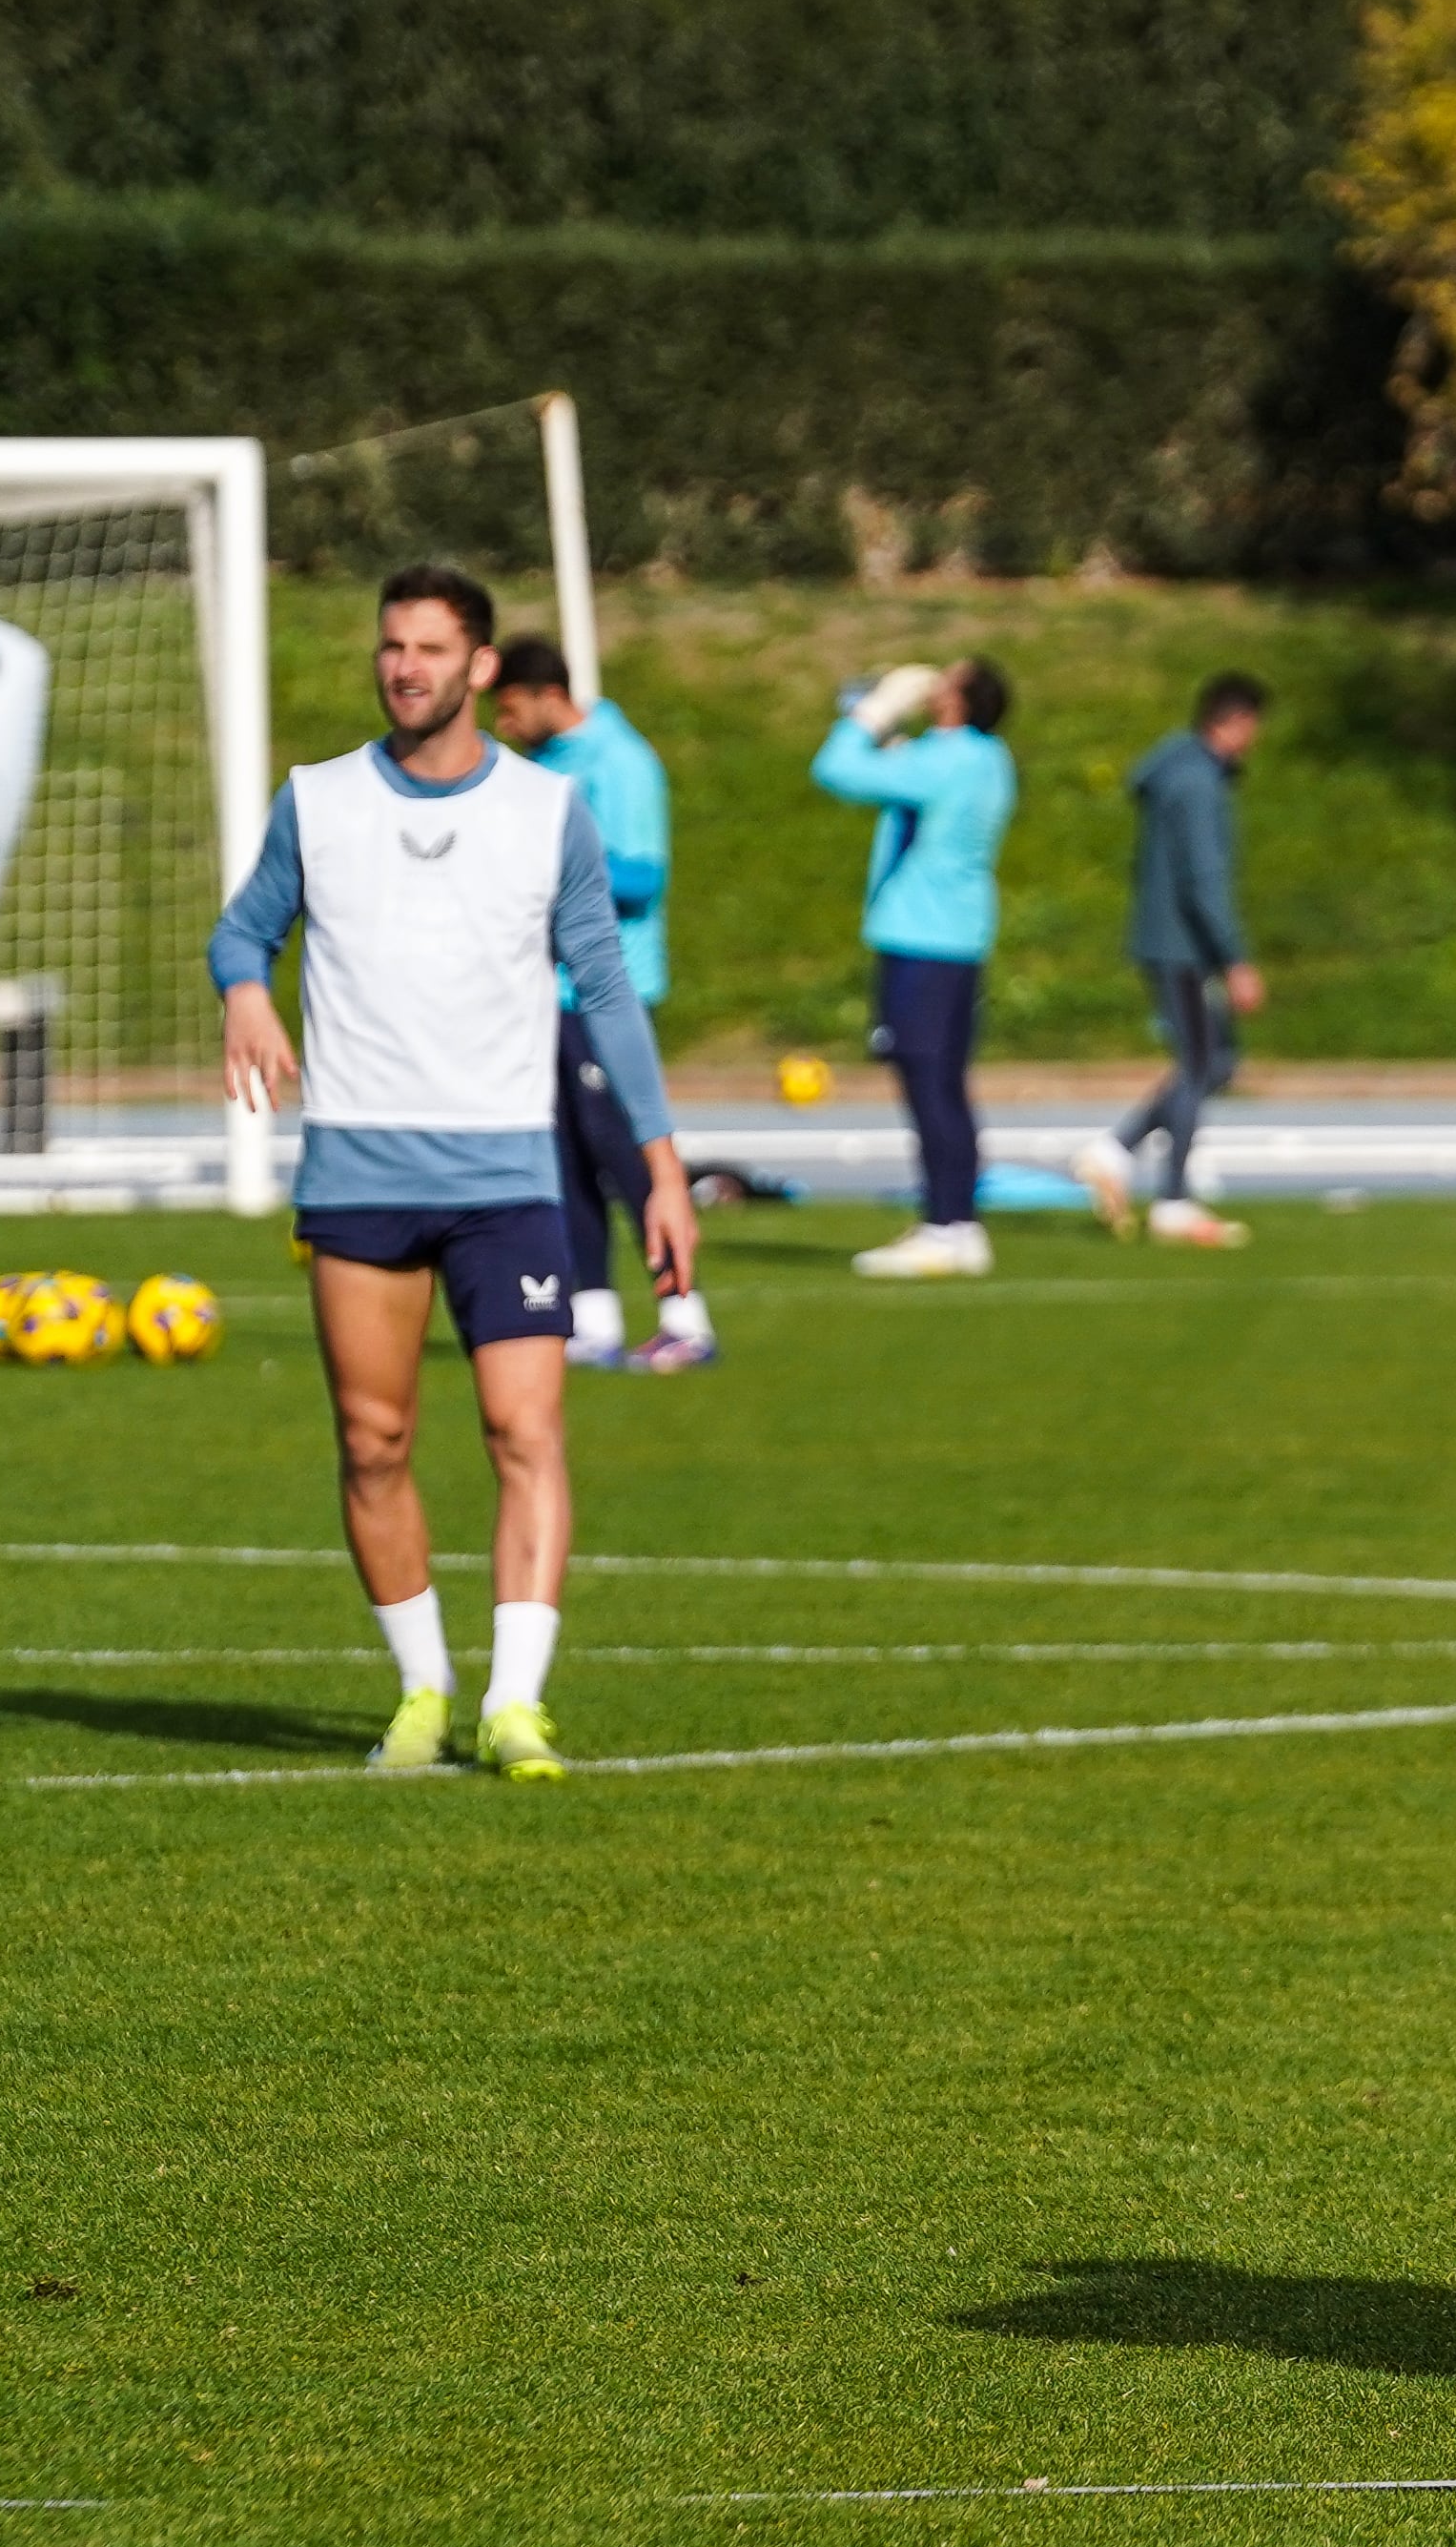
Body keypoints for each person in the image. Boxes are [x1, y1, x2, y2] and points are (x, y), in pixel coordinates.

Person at [215, 566, 698, 1781]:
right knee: (374, 1438)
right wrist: (245, 998)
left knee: (523, 1429)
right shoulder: (317, 801)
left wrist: (662, 1165)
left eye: (432, 647)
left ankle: (517, 1703)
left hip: (508, 1178)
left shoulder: (548, 811)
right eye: (391, 646)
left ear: (482, 665)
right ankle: (425, 1686)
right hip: (361, 1175)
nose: (406, 667)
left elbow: (609, 990)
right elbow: (242, 929)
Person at [491, 637, 713, 1372]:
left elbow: (642, 877)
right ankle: (593, 1316)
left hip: (607, 992)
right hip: (543, 992)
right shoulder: (542, 767)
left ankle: (686, 1313)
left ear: (545, 695)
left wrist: (539, 870)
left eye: (510, 708)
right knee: (565, 1159)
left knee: (629, 1158)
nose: (503, 724)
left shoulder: (620, 762)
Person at [811, 656, 1014, 1280]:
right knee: (949, 1086)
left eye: (946, 680)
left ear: (961, 701)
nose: (933, 684)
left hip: (919, 940)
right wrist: (897, 744)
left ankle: (943, 1226)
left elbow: (833, 770)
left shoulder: (944, 758)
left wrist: (873, 714)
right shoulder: (987, 758)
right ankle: (960, 1222)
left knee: (926, 1085)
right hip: (960, 937)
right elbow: (918, 786)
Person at [1073, 672, 1267, 1249]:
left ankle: (1125, 1158)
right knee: (1201, 1064)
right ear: (1232, 722)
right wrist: (1234, 959)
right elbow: (1204, 879)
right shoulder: (1197, 782)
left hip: (1170, 939)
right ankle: (1165, 1193)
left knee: (1211, 1062)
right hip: (1183, 944)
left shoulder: (1176, 768)